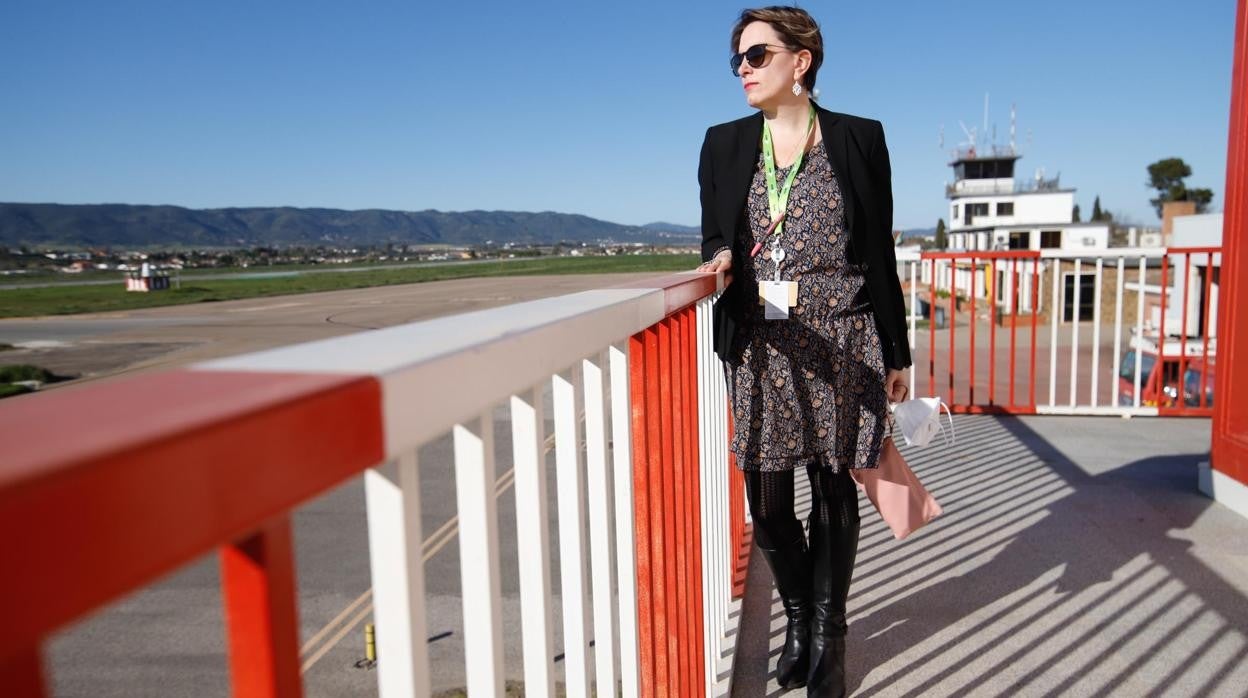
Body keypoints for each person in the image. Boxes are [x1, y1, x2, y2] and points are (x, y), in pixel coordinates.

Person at [694, 6, 912, 695]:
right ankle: (797, 614)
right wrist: (720, 255)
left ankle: (829, 635)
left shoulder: (858, 137)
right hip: (762, 342)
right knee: (768, 505)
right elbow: (713, 236)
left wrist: (898, 350)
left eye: (756, 56)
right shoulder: (723, 144)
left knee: (832, 489)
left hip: (844, 331)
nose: (744, 71)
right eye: (738, 60)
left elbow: (878, 248)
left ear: (802, 60)